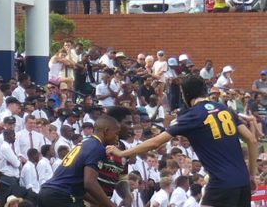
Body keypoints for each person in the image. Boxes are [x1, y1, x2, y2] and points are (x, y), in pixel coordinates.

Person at [107, 75, 257, 207]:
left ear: (185, 95)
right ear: (205, 91)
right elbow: (252, 140)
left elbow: (155, 143)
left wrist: (122, 152)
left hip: (221, 182)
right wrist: (252, 175)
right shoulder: (224, 109)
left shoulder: (192, 115)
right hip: (243, 181)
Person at [36, 116, 119, 207]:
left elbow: (78, 186)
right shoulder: (97, 147)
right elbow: (90, 183)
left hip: (47, 193)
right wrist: (110, 205)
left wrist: (100, 202)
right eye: (116, 133)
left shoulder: (85, 142)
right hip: (62, 196)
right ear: (106, 131)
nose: (117, 137)